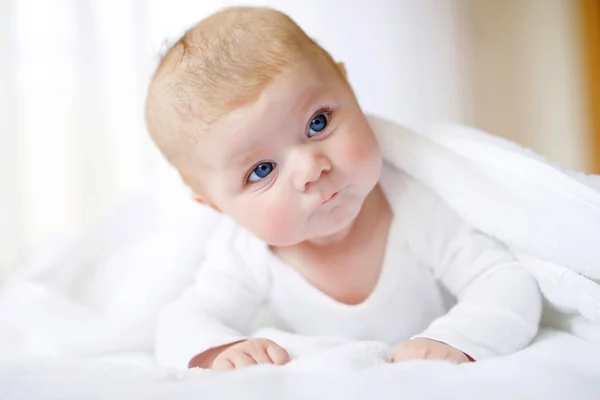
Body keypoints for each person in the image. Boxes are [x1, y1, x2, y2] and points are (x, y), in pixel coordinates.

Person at [145, 6, 542, 371]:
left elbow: (504, 279)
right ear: (214, 204)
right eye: (262, 169)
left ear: (347, 87)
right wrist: (221, 352)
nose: (310, 169)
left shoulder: (412, 203)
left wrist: (452, 339)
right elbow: (182, 322)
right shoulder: (244, 253)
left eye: (318, 122)